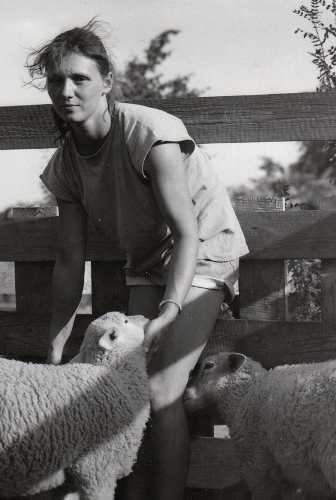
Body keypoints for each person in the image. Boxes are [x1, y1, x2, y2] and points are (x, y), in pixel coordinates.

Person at [27, 20, 249, 500]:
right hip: (148, 263)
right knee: (130, 388)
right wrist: (55, 343)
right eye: (55, 81)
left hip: (205, 251)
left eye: (80, 79)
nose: (67, 91)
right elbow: (69, 260)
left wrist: (170, 312)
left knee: (164, 388)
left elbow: (188, 231)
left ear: (106, 81)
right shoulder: (64, 164)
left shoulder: (152, 134)